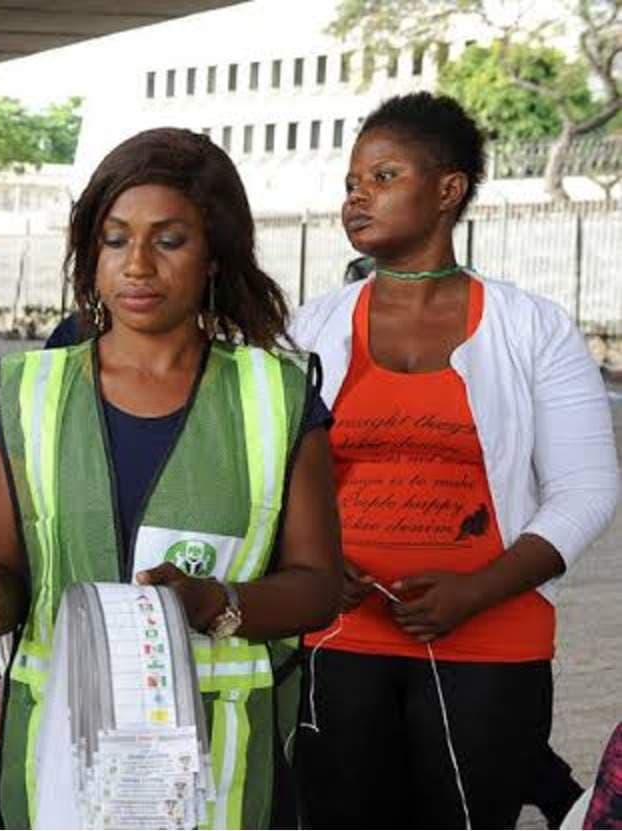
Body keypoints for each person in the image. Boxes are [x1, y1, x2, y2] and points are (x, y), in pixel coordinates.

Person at [0, 128, 343, 829]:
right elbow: (3, 563)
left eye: (169, 240)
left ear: (214, 253)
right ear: (91, 256)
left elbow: (319, 587)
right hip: (57, 764)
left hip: (218, 775)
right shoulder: (33, 390)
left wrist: (216, 602)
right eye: (115, 240)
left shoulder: (275, 396)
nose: (138, 265)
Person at [290, 93, 618, 829]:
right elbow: (277, 477)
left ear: (447, 189)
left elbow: (587, 487)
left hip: (492, 640)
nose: (357, 197)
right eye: (351, 182)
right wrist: (307, 560)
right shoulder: (309, 328)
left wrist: (477, 589)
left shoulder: (533, 327)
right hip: (337, 635)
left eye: (383, 176)